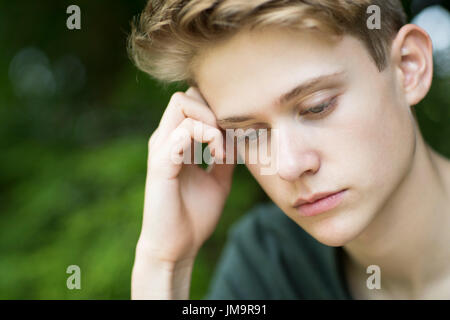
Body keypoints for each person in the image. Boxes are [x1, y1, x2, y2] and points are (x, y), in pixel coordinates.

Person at [128, 0, 450, 299]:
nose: (287, 165)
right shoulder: (268, 263)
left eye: (317, 107)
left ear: (409, 67)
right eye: (248, 134)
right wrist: (164, 263)